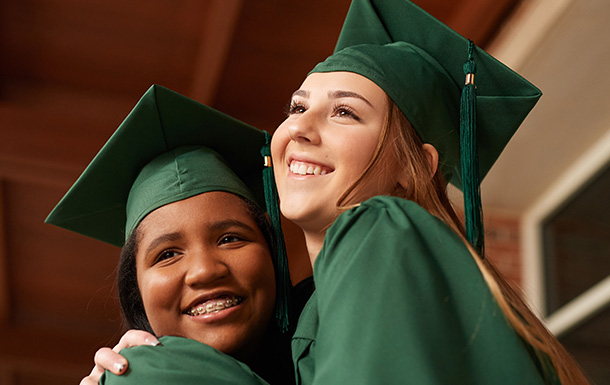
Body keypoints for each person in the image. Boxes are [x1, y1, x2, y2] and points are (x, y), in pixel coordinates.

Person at [269, 0, 590, 384]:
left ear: (414, 166)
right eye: (297, 107)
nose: (299, 128)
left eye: (345, 112)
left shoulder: (377, 230)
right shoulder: (347, 290)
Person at [46, 85, 298, 385]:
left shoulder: (333, 336)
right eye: (167, 255)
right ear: (136, 292)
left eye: (230, 238)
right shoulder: (135, 377)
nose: (205, 271)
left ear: (272, 252)